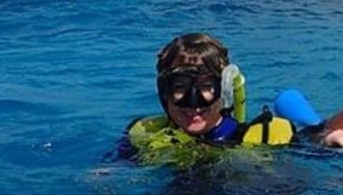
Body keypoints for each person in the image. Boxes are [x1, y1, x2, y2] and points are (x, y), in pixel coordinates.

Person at [119, 32, 296, 165]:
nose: (193, 101)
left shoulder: (264, 139)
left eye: (206, 86)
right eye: (180, 87)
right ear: (164, 91)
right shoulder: (144, 137)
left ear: (225, 88)